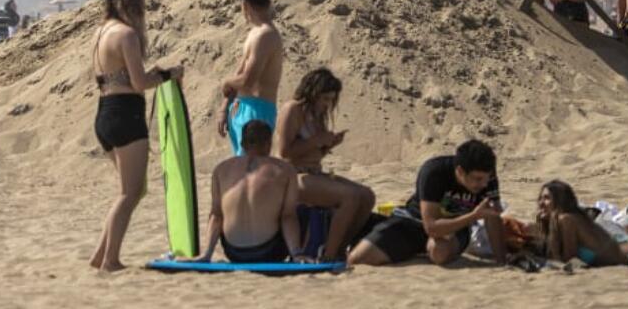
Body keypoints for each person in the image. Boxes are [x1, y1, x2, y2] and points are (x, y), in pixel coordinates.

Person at [89, 0, 184, 272]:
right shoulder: (127, 35)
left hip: (105, 113)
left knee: (129, 191)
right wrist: (169, 75)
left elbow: (116, 76)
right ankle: (110, 260)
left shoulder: (101, 31)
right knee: (130, 193)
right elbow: (139, 83)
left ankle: (100, 255)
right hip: (126, 114)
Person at [348, 139, 507, 267]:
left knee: (439, 253)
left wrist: (502, 262)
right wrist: (473, 216)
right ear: (460, 171)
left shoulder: (488, 177)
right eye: (477, 179)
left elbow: (492, 217)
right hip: (413, 222)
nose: (483, 185)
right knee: (358, 258)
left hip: (454, 229)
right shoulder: (434, 172)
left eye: (487, 178)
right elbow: (431, 227)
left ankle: (412, 249)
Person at [276, 69, 375, 262]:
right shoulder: (293, 109)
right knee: (350, 197)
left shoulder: (318, 115)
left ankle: (339, 247)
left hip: (314, 173)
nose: (327, 104)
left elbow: (313, 153)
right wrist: (317, 140)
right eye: (324, 99)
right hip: (292, 176)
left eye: (331, 99)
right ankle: (328, 256)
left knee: (367, 196)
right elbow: (285, 152)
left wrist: (328, 145)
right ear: (312, 93)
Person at [194, 121, 303, 264]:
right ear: (268, 143)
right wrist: (295, 254)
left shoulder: (220, 169)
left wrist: (206, 255)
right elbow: (288, 216)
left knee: (219, 211)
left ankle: (206, 254)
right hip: (270, 252)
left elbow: (216, 215)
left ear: (242, 143)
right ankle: (300, 254)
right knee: (303, 209)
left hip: (234, 253)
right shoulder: (285, 170)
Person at [219, 0, 283, 156]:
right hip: (242, 107)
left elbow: (248, 80)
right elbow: (239, 74)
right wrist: (225, 108)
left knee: (252, 170)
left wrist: (225, 82)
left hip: (257, 109)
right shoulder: (255, 33)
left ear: (244, 5)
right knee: (242, 167)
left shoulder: (266, 35)